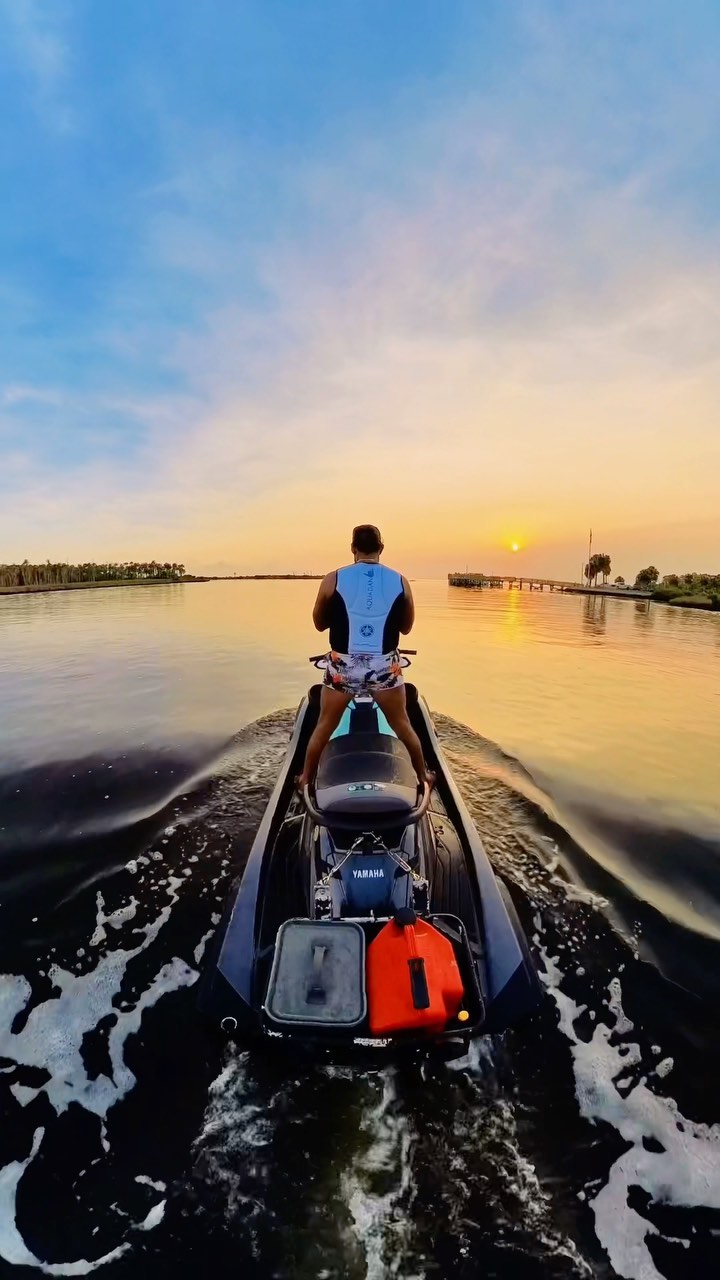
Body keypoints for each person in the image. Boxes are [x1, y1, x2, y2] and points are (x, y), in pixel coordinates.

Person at [296, 524, 436, 793]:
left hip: (344, 666)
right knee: (403, 724)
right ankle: (424, 777)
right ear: (381, 548)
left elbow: (318, 623)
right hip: (384, 665)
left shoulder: (332, 579)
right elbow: (406, 628)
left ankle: (304, 779)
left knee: (325, 724)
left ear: (352, 549)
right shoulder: (400, 580)